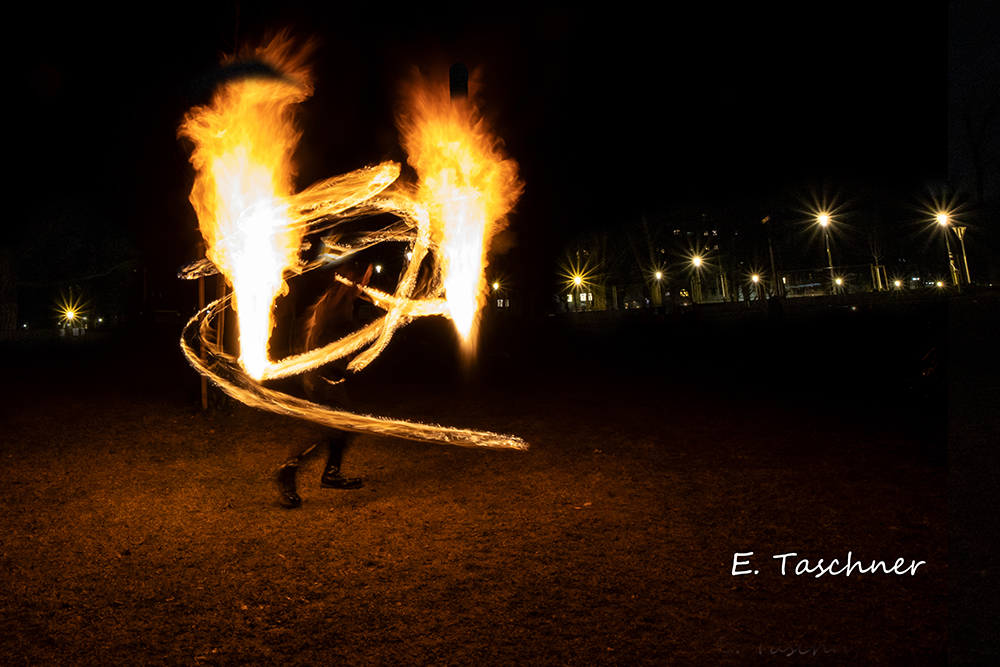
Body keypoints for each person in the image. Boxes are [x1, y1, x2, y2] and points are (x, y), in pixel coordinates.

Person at [276, 259, 373, 508]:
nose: (367, 282)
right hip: (323, 377)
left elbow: (325, 335)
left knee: (342, 426)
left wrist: (347, 352)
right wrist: (343, 350)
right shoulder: (338, 303)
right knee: (334, 428)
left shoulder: (341, 300)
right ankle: (289, 468)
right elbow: (322, 335)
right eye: (366, 277)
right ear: (353, 277)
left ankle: (330, 473)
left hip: (326, 375)